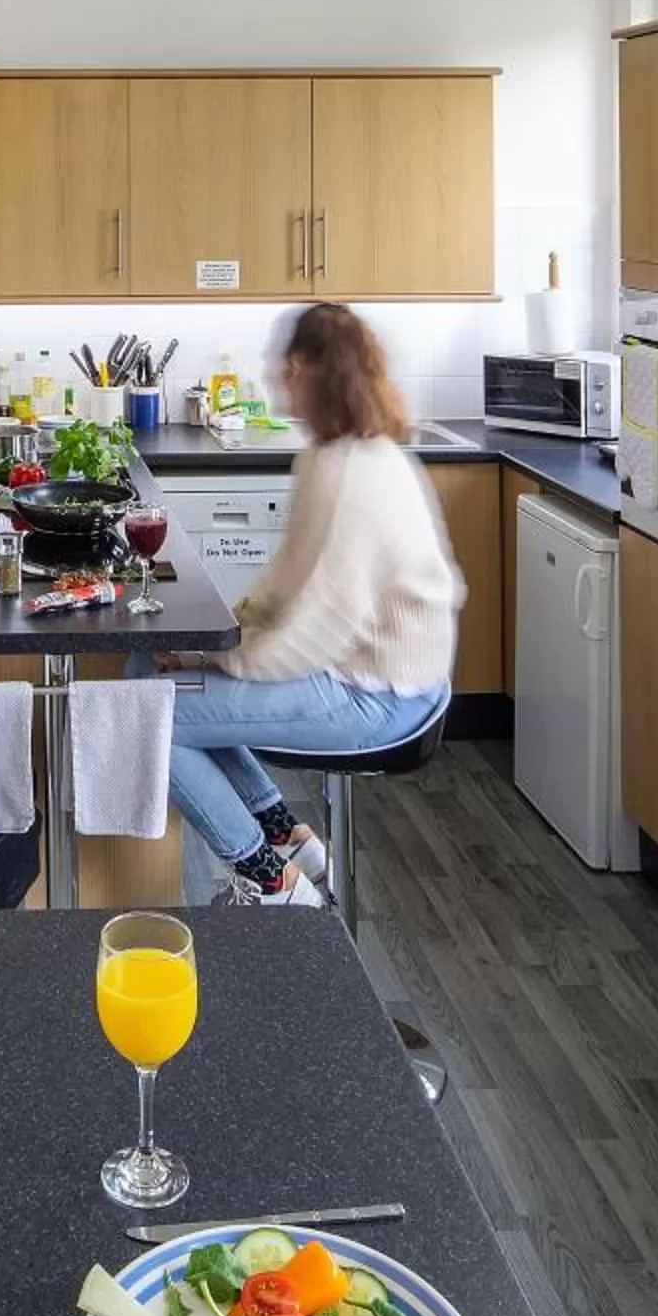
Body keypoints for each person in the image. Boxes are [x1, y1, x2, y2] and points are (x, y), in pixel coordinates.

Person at [140, 303, 461, 905]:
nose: (273, 376)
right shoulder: (328, 457)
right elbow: (284, 586)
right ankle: (284, 837)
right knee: (161, 687)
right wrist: (213, 641)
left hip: (381, 694)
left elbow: (317, 628)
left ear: (300, 371)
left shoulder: (353, 475)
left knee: (151, 721)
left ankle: (267, 878)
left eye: (279, 365)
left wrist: (217, 661)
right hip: (368, 674)